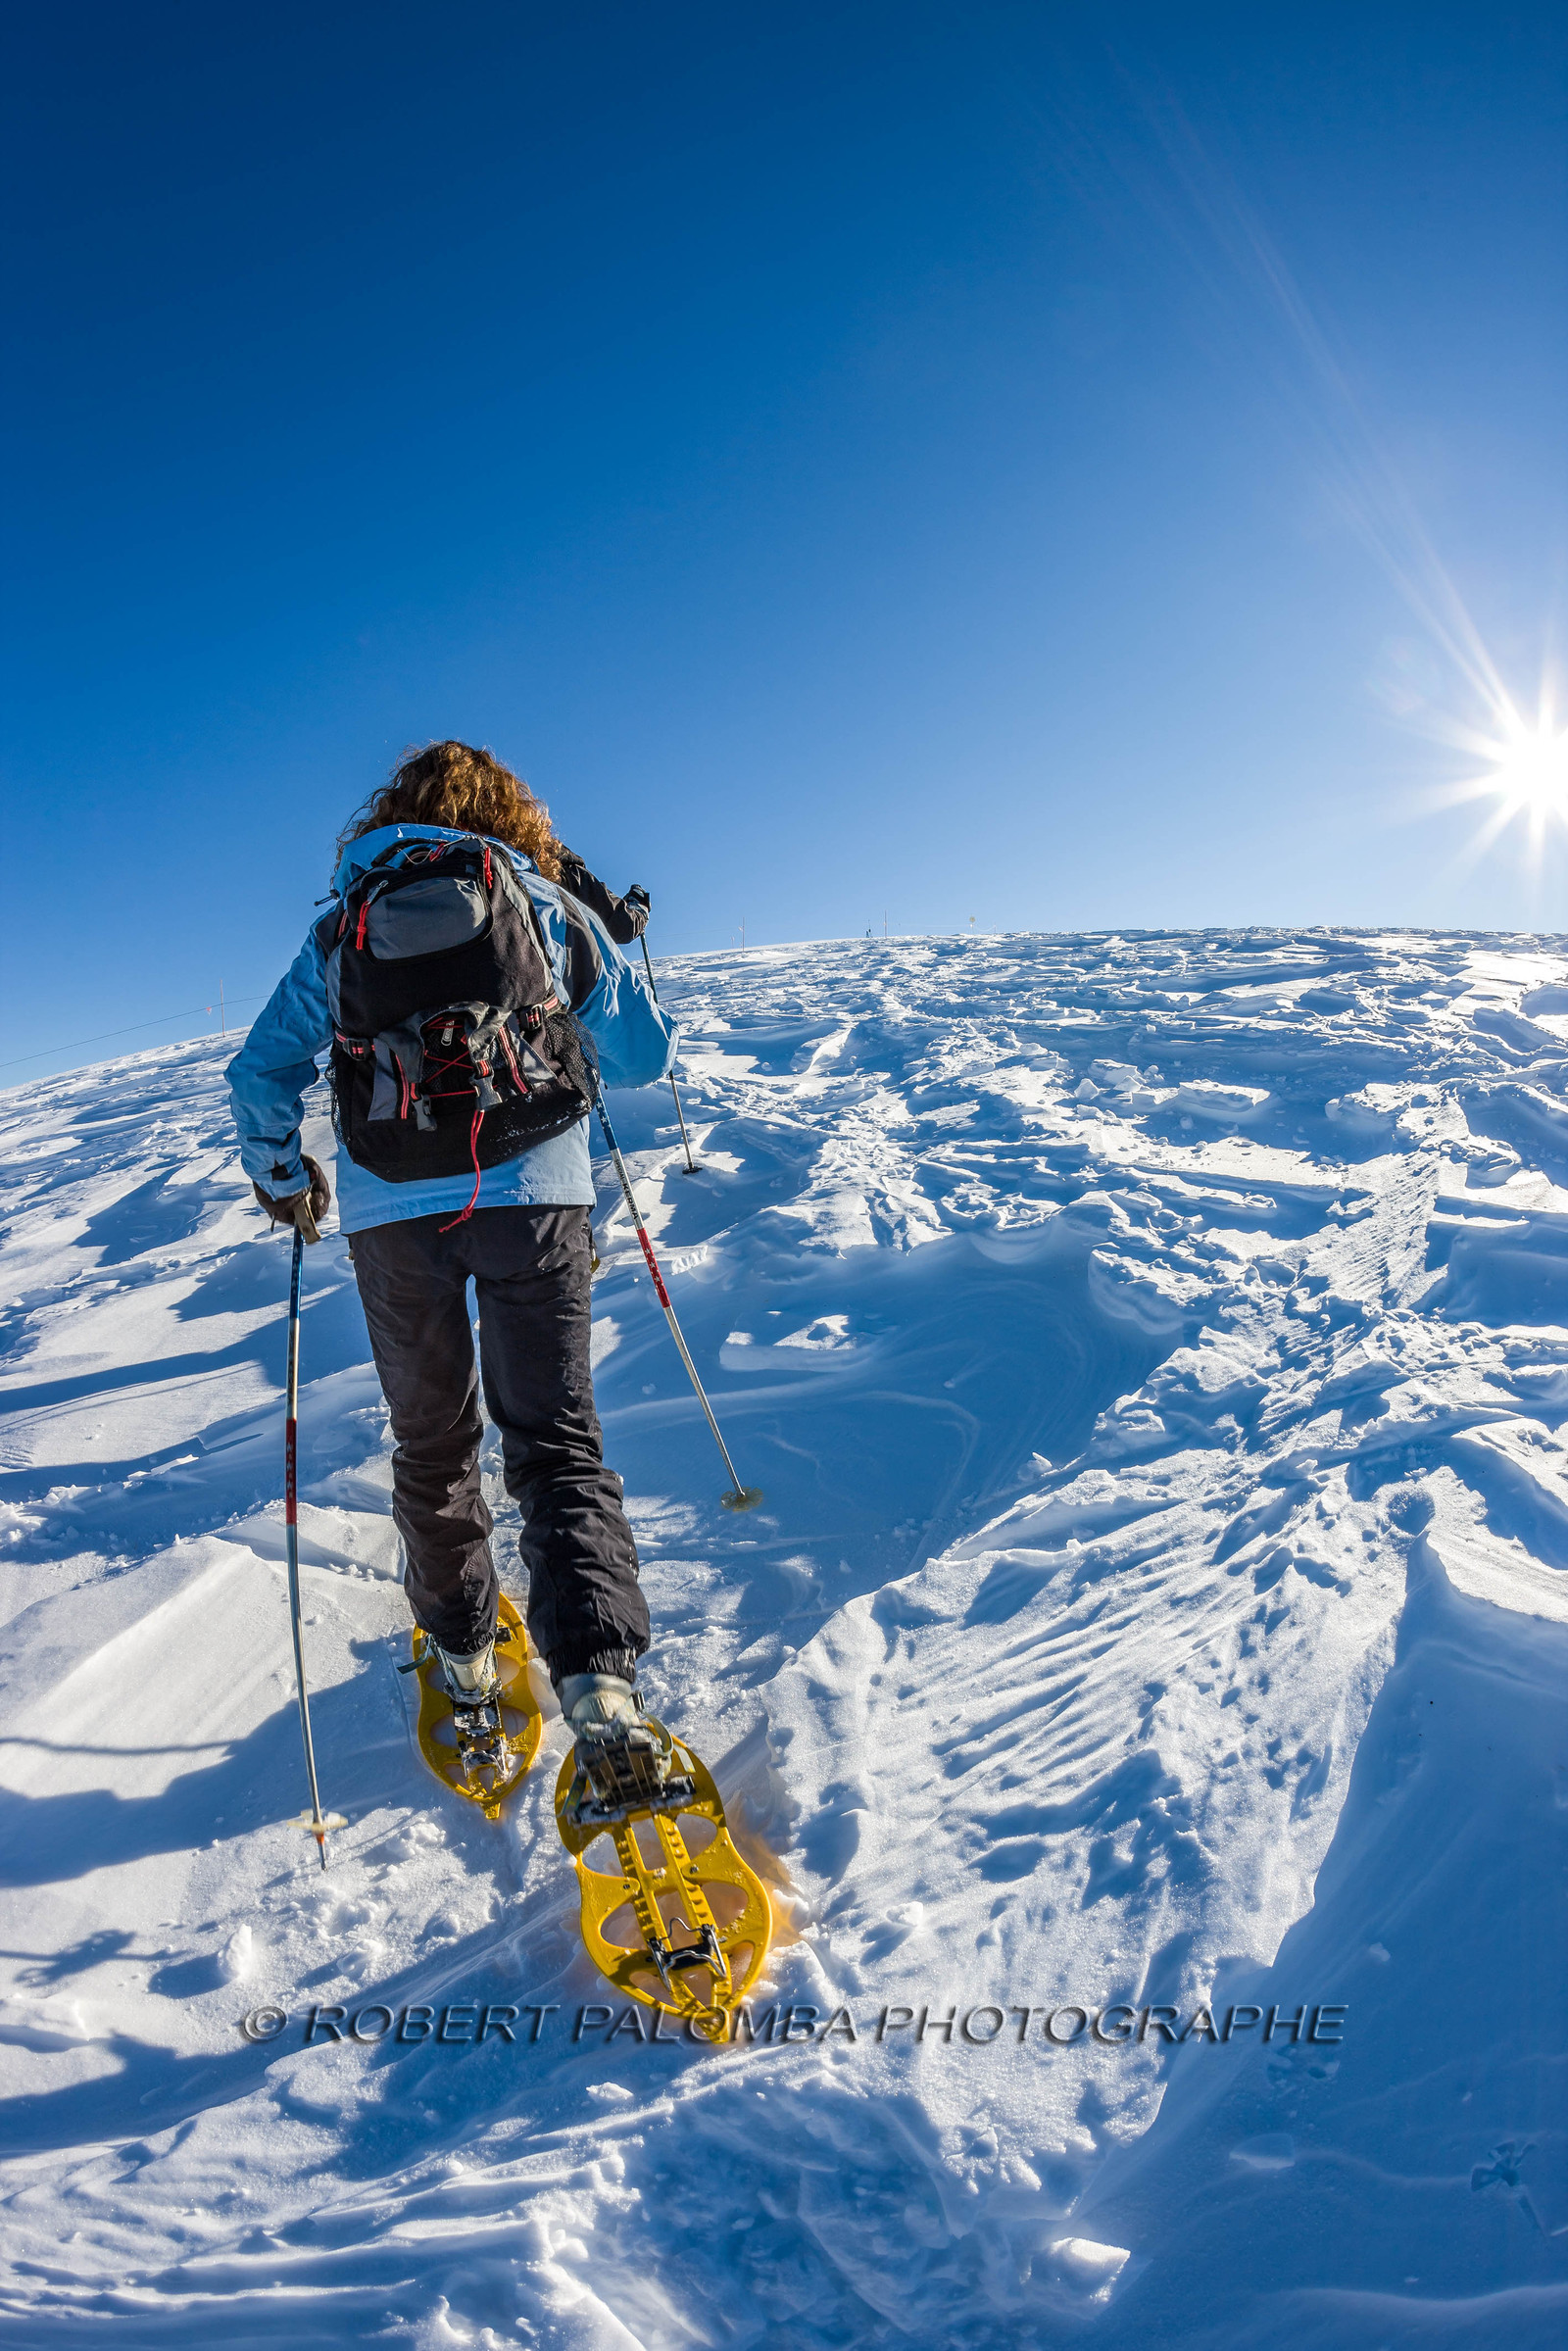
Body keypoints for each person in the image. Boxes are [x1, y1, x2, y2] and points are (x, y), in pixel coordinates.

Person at [225, 740, 675, 1770]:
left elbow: (261, 1071)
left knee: (433, 1444)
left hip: (391, 1218)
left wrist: (285, 1177)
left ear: (390, 813)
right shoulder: (534, 898)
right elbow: (646, 1057)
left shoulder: (343, 926)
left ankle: (467, 1660)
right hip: (537, 1197)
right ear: (508, 815)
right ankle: (601, 1687)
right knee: (556, 1439)